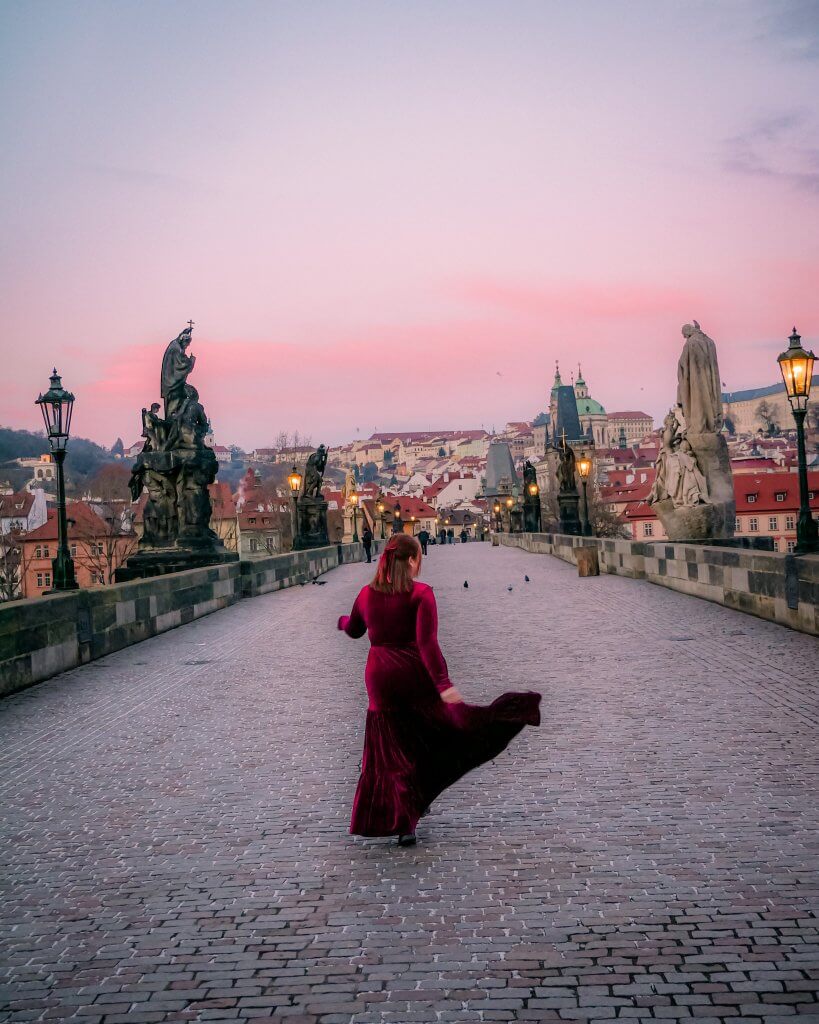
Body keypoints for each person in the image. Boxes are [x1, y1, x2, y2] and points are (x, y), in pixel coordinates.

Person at [337, 533, 541, 846]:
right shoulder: (421, 594)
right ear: (409, 561)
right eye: (419, 556)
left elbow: (353, 630)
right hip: (412, 673)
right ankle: (411, 811)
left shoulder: (367, 594)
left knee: (389, 747)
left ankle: (402, 809)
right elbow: (427, 645)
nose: (421, 563)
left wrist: (340, 621)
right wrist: (444, 686)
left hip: (379, 676)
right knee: (429, 734)